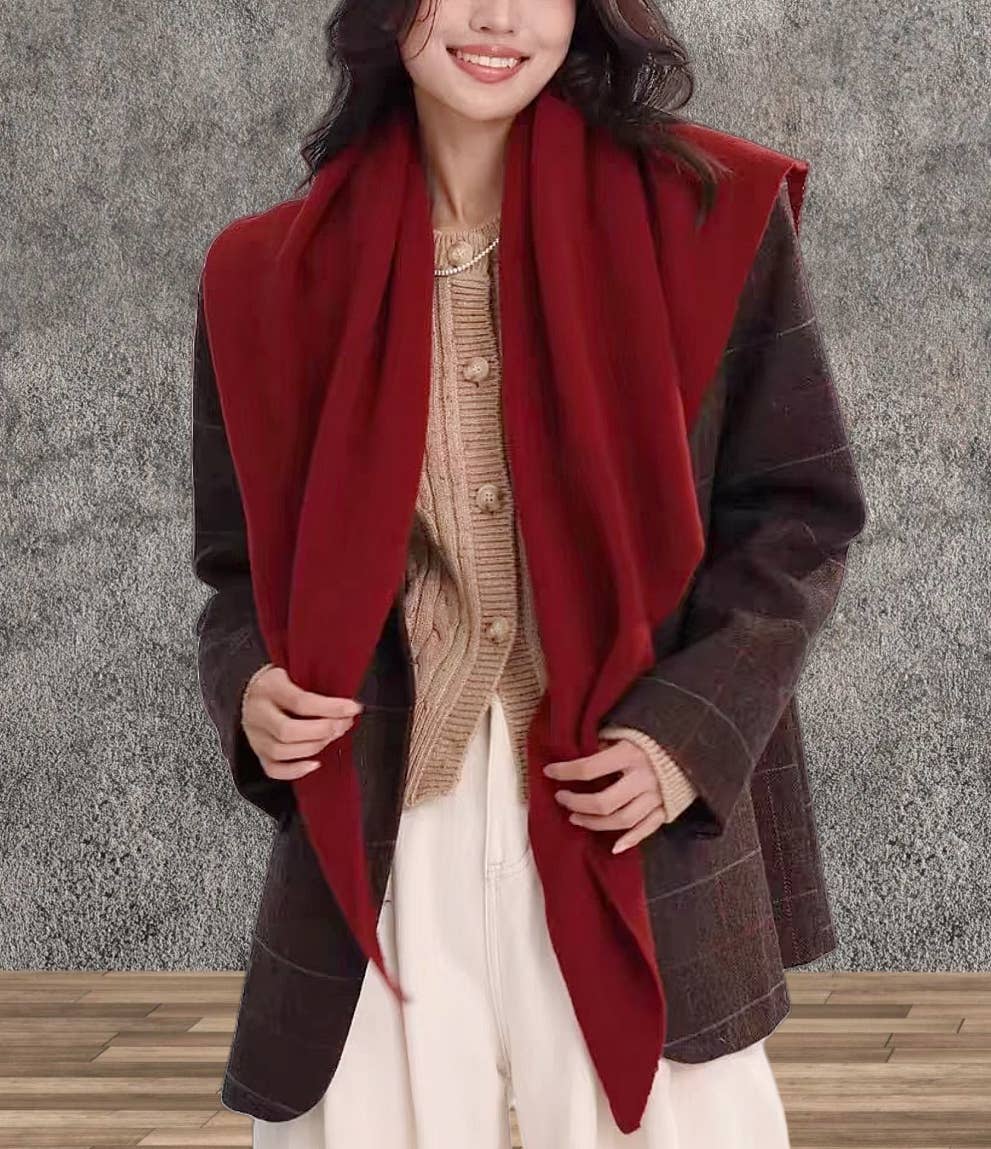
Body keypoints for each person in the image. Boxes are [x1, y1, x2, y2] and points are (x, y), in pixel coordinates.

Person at [191, 1, 868, 1146]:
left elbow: (798, 514)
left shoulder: (706, 217)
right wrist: (249, 684)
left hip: (626, 797)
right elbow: (234, 570)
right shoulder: (265, 275)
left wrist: (688, 737)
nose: (498, 17)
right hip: (386, 808)